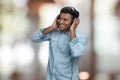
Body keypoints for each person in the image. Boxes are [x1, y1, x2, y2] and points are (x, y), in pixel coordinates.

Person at [32, 6, 87, 80]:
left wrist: (72, 31)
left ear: (74, 21)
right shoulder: (53, 33)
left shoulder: (81, 37)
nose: (61, 22)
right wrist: (52, 27)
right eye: (60, 18)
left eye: (65, 19)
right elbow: (35, 38)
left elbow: (76, 53)